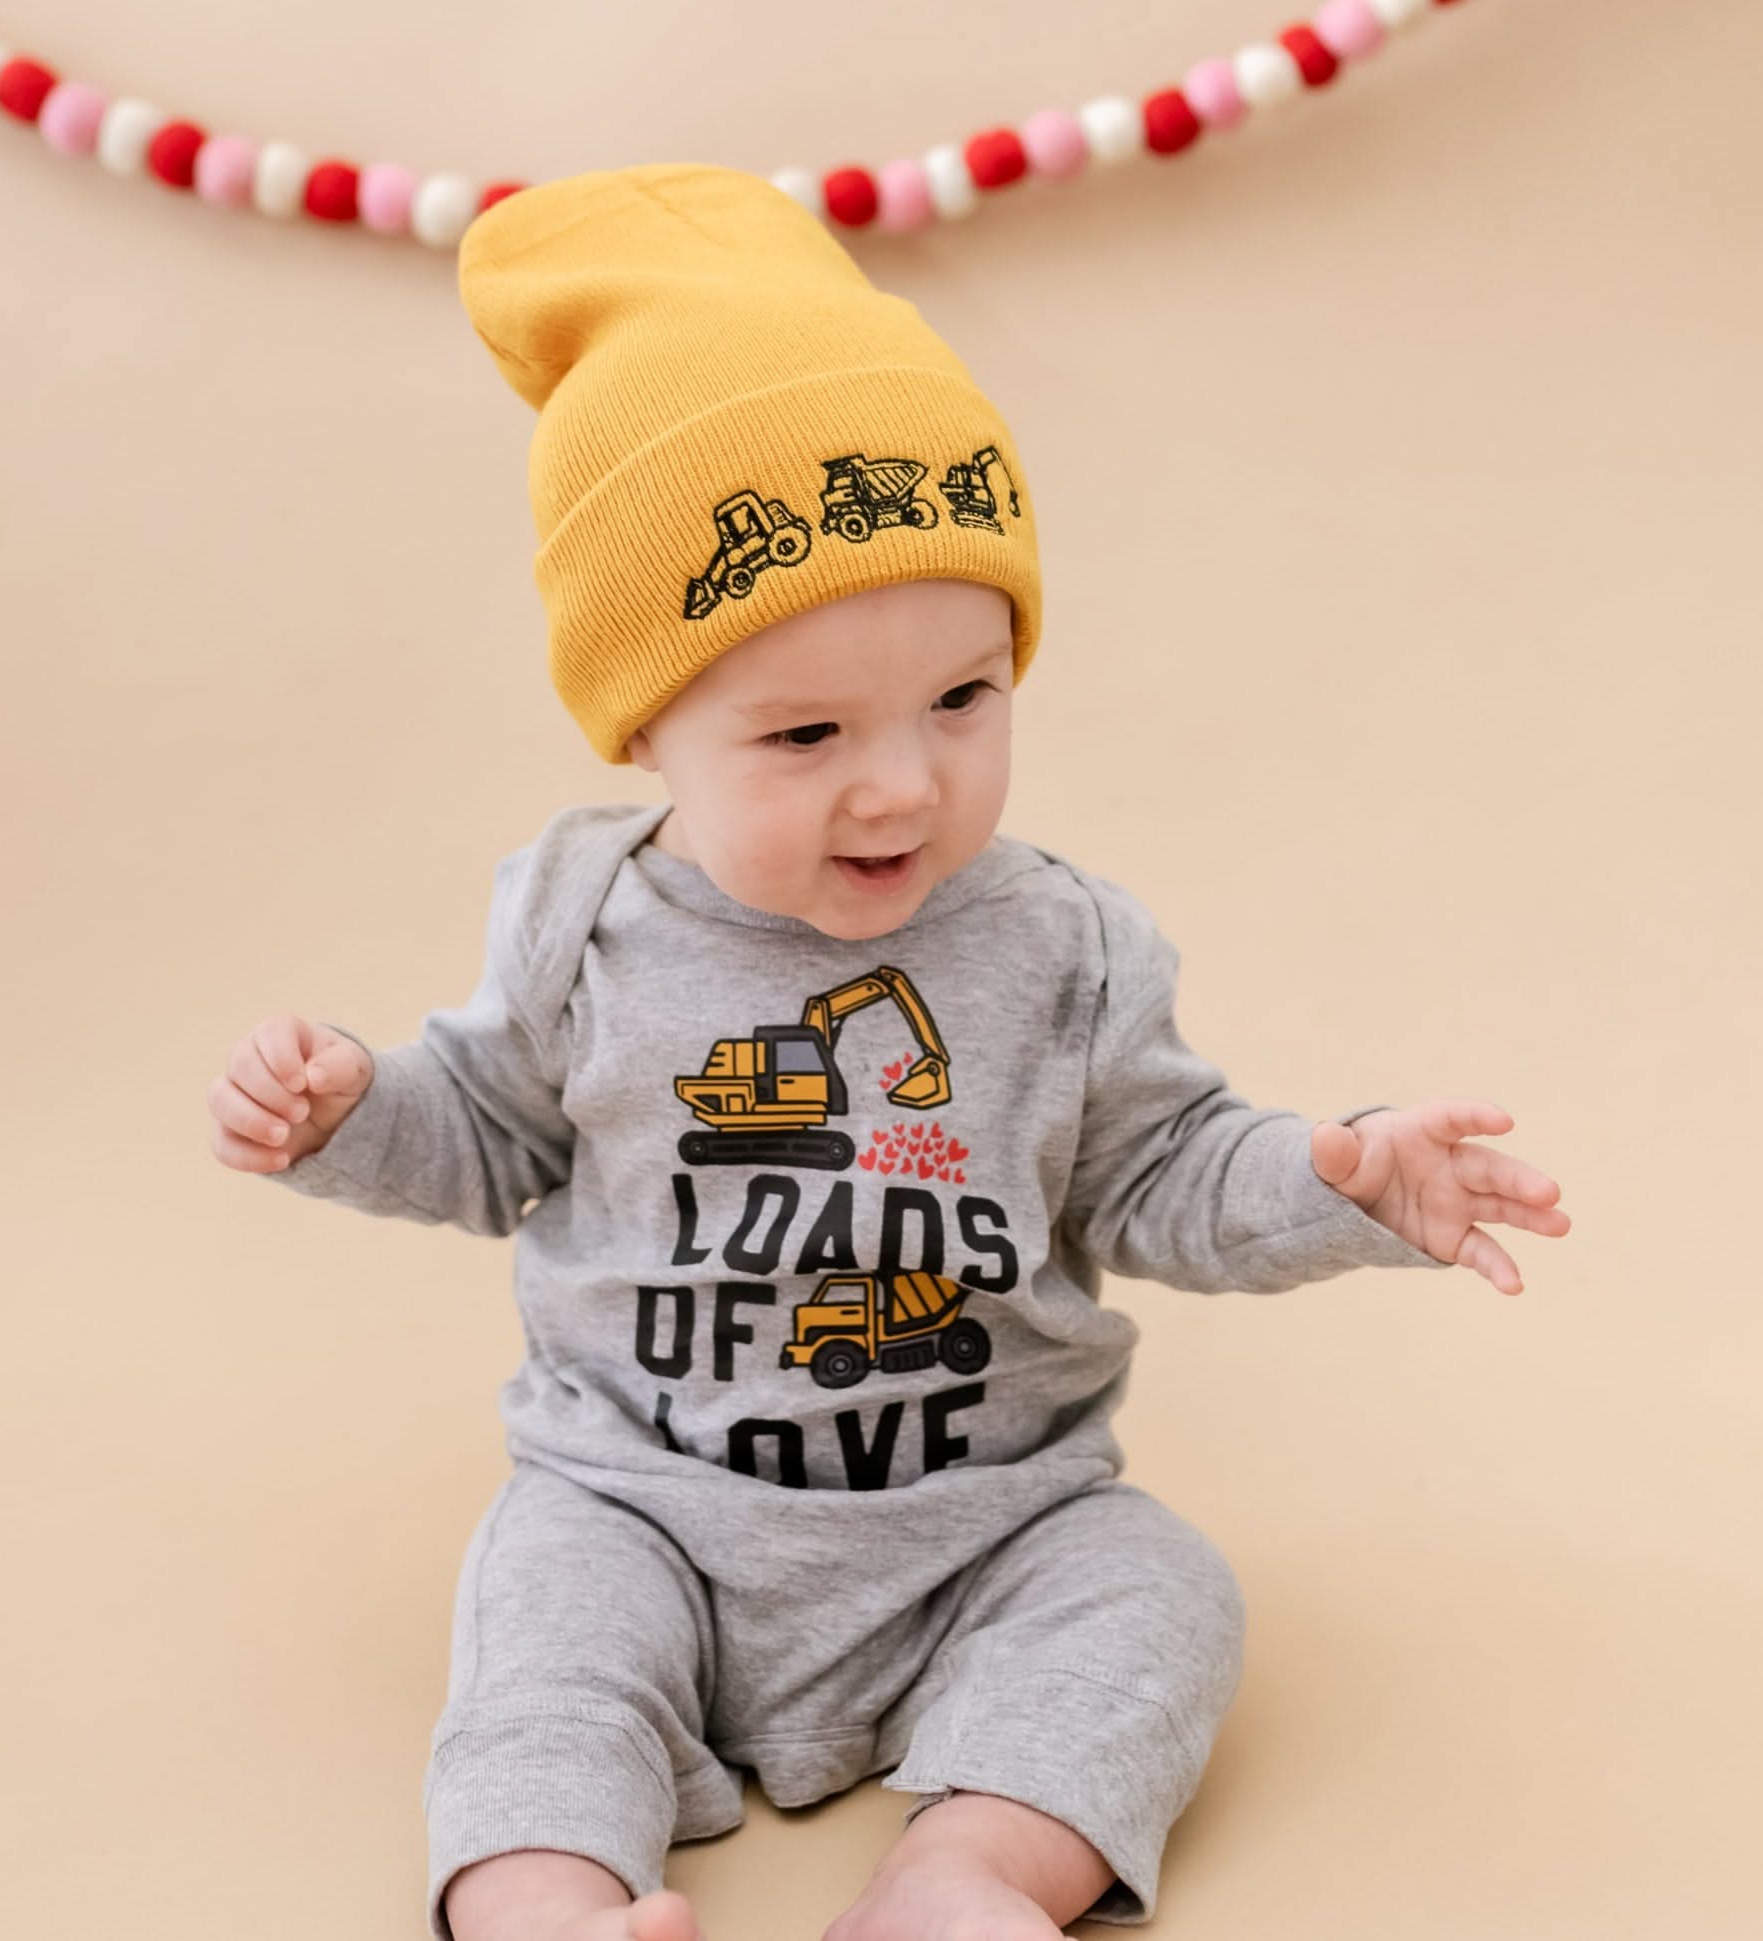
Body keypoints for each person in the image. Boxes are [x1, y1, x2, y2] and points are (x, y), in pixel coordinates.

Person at [205, 163, 1570, 1941]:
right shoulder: (580, 921)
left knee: (1155, 1591)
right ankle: (543, 1901)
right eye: (805, 734)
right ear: (646, 725)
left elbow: (1159, 1170)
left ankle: (961, 1875)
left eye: (961, 699)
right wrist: (349, 1108)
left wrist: (1339, 1180)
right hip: (645, 1505)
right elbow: (481, 1133)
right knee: (543, 1656)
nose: (903, 785)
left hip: (985, 1518)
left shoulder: (1061, 942)